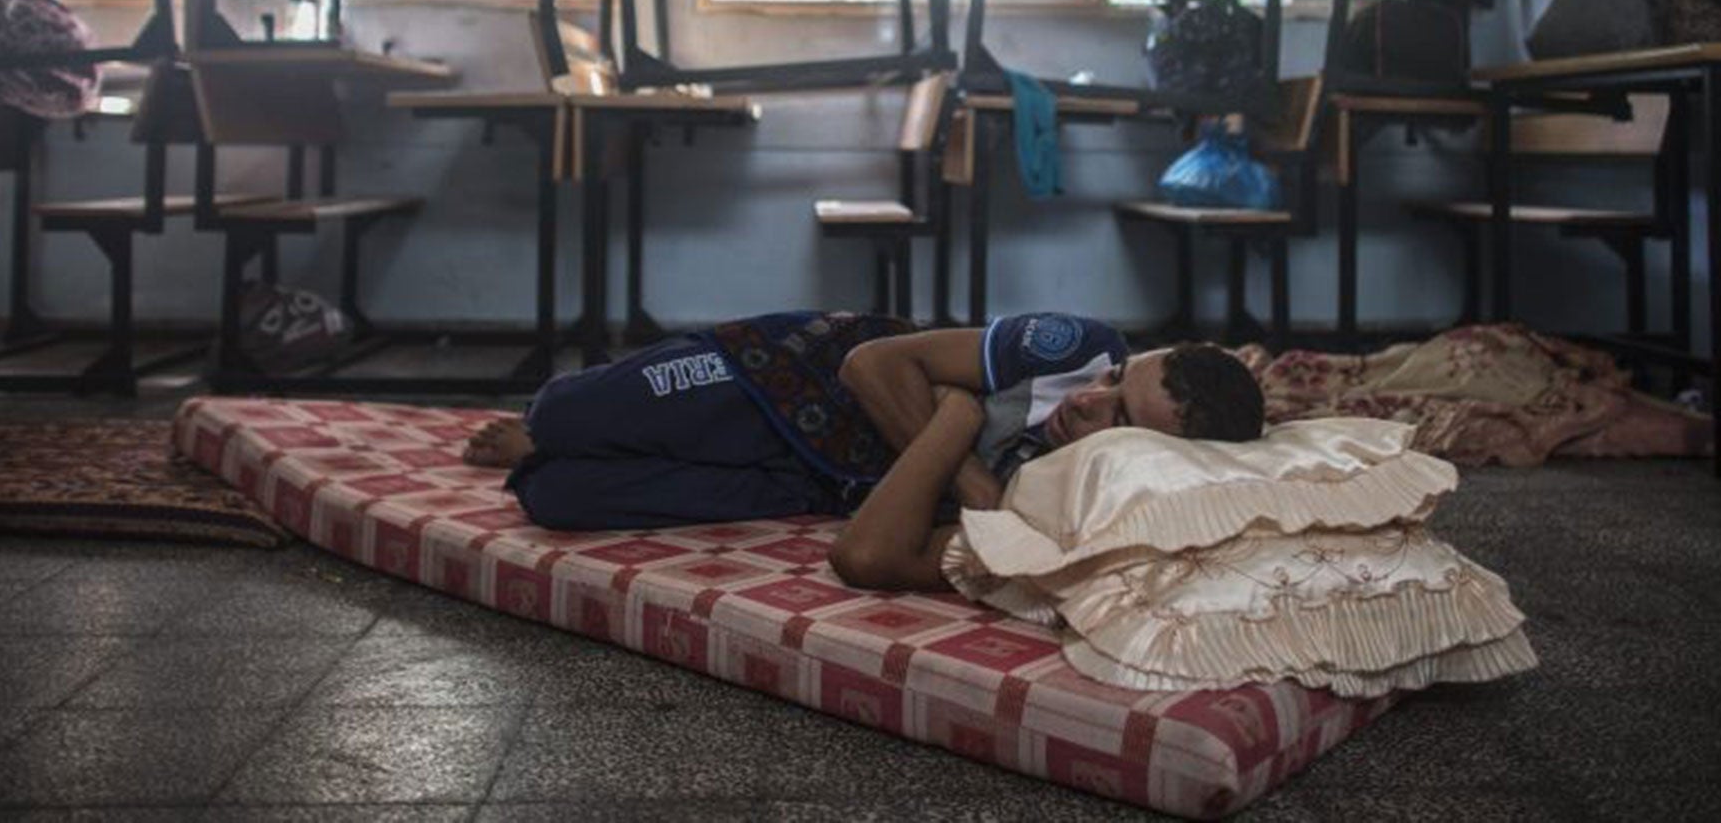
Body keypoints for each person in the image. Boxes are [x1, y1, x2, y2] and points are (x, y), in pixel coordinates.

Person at [464, 309, 1265, 538]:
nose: (1090, 400)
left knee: (557, 499)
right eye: (1116, 383)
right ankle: (554, 427)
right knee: (565, 412)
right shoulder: (1075, 348)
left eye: (1119, 418)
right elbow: (873, 367)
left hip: (822, 479)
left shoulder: (1096, 497)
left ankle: (550, 455)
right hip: (784, 372)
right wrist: (976, 483)